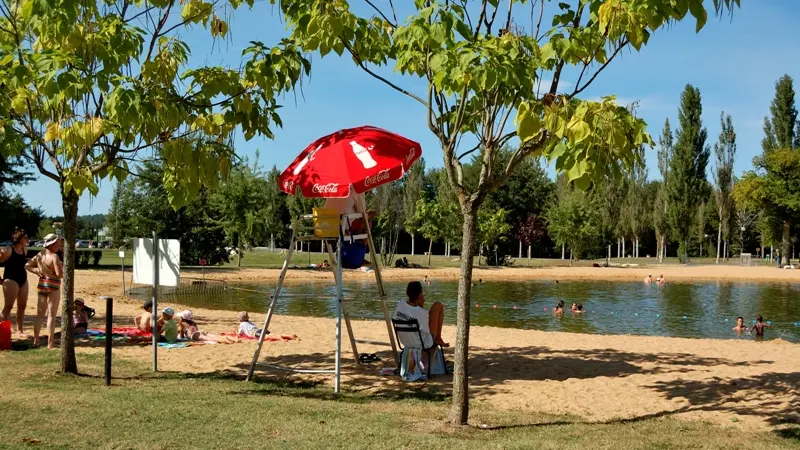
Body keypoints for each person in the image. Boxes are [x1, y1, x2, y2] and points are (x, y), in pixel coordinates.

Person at [25, 234, 62, 348]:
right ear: (52, 244)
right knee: (51, 315)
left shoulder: (40, 255)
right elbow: (59, 274)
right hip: (53, 286)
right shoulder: (54, 257)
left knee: (39, 315)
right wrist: (63, 268)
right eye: (57, 243)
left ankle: (36, 340)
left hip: (42, 285)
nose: (59, 245)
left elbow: (27, 265)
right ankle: (50, 343)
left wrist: (36, 271)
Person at [393, 281, 448, 348]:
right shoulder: (421, 312)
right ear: (420, 295)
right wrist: (421, 306)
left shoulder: (400, 304)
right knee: (438, 305)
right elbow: (427, 331)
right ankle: (438, 338)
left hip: (405, 343)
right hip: (423, 344)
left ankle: (438, 338)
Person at [0, 228, 30, 336]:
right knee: (8, 306)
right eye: (25, 237)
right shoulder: (8, 250)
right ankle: (3, 331)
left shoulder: (24, 250)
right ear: (19, 238)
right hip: (10, 279)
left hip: (23, 279)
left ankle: (20, 330)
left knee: (22, 306)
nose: (27, 239)